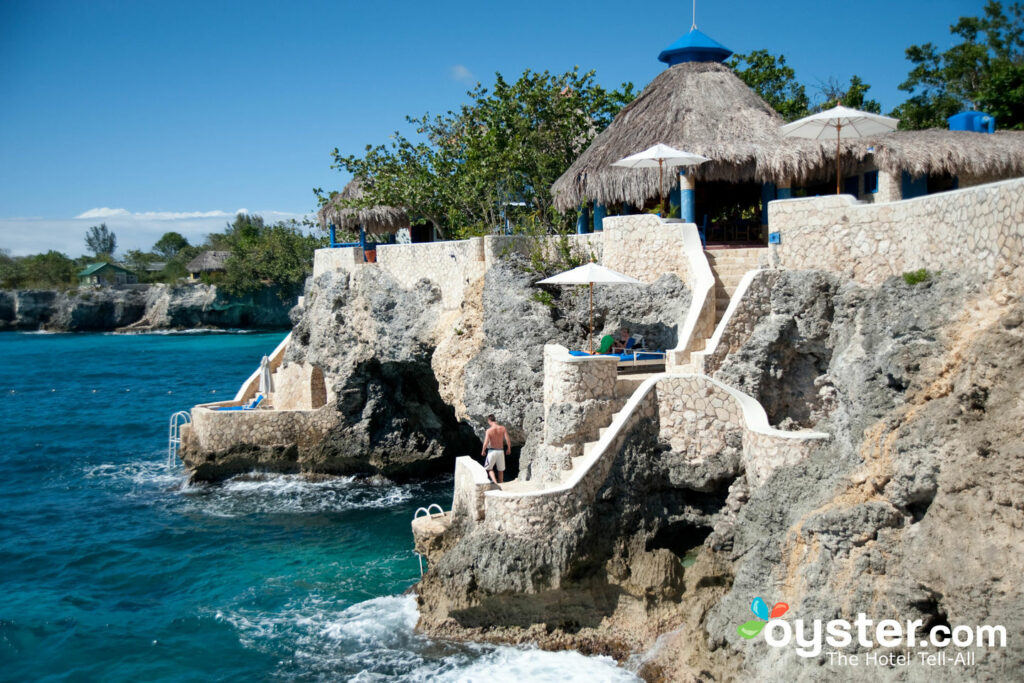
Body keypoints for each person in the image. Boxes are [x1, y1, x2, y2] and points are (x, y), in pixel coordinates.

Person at [481, 414, 511, 484]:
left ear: (489, 420)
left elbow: (486, 442)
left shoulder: (489, 430)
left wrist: (483, 450)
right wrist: (509, 448)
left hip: (492, 451)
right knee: (501, 470)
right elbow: (508, 440)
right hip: (501, 451)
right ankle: (501, 483)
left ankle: (495, 482)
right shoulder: (502, 428)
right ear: (495, 420)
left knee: (489, 468)